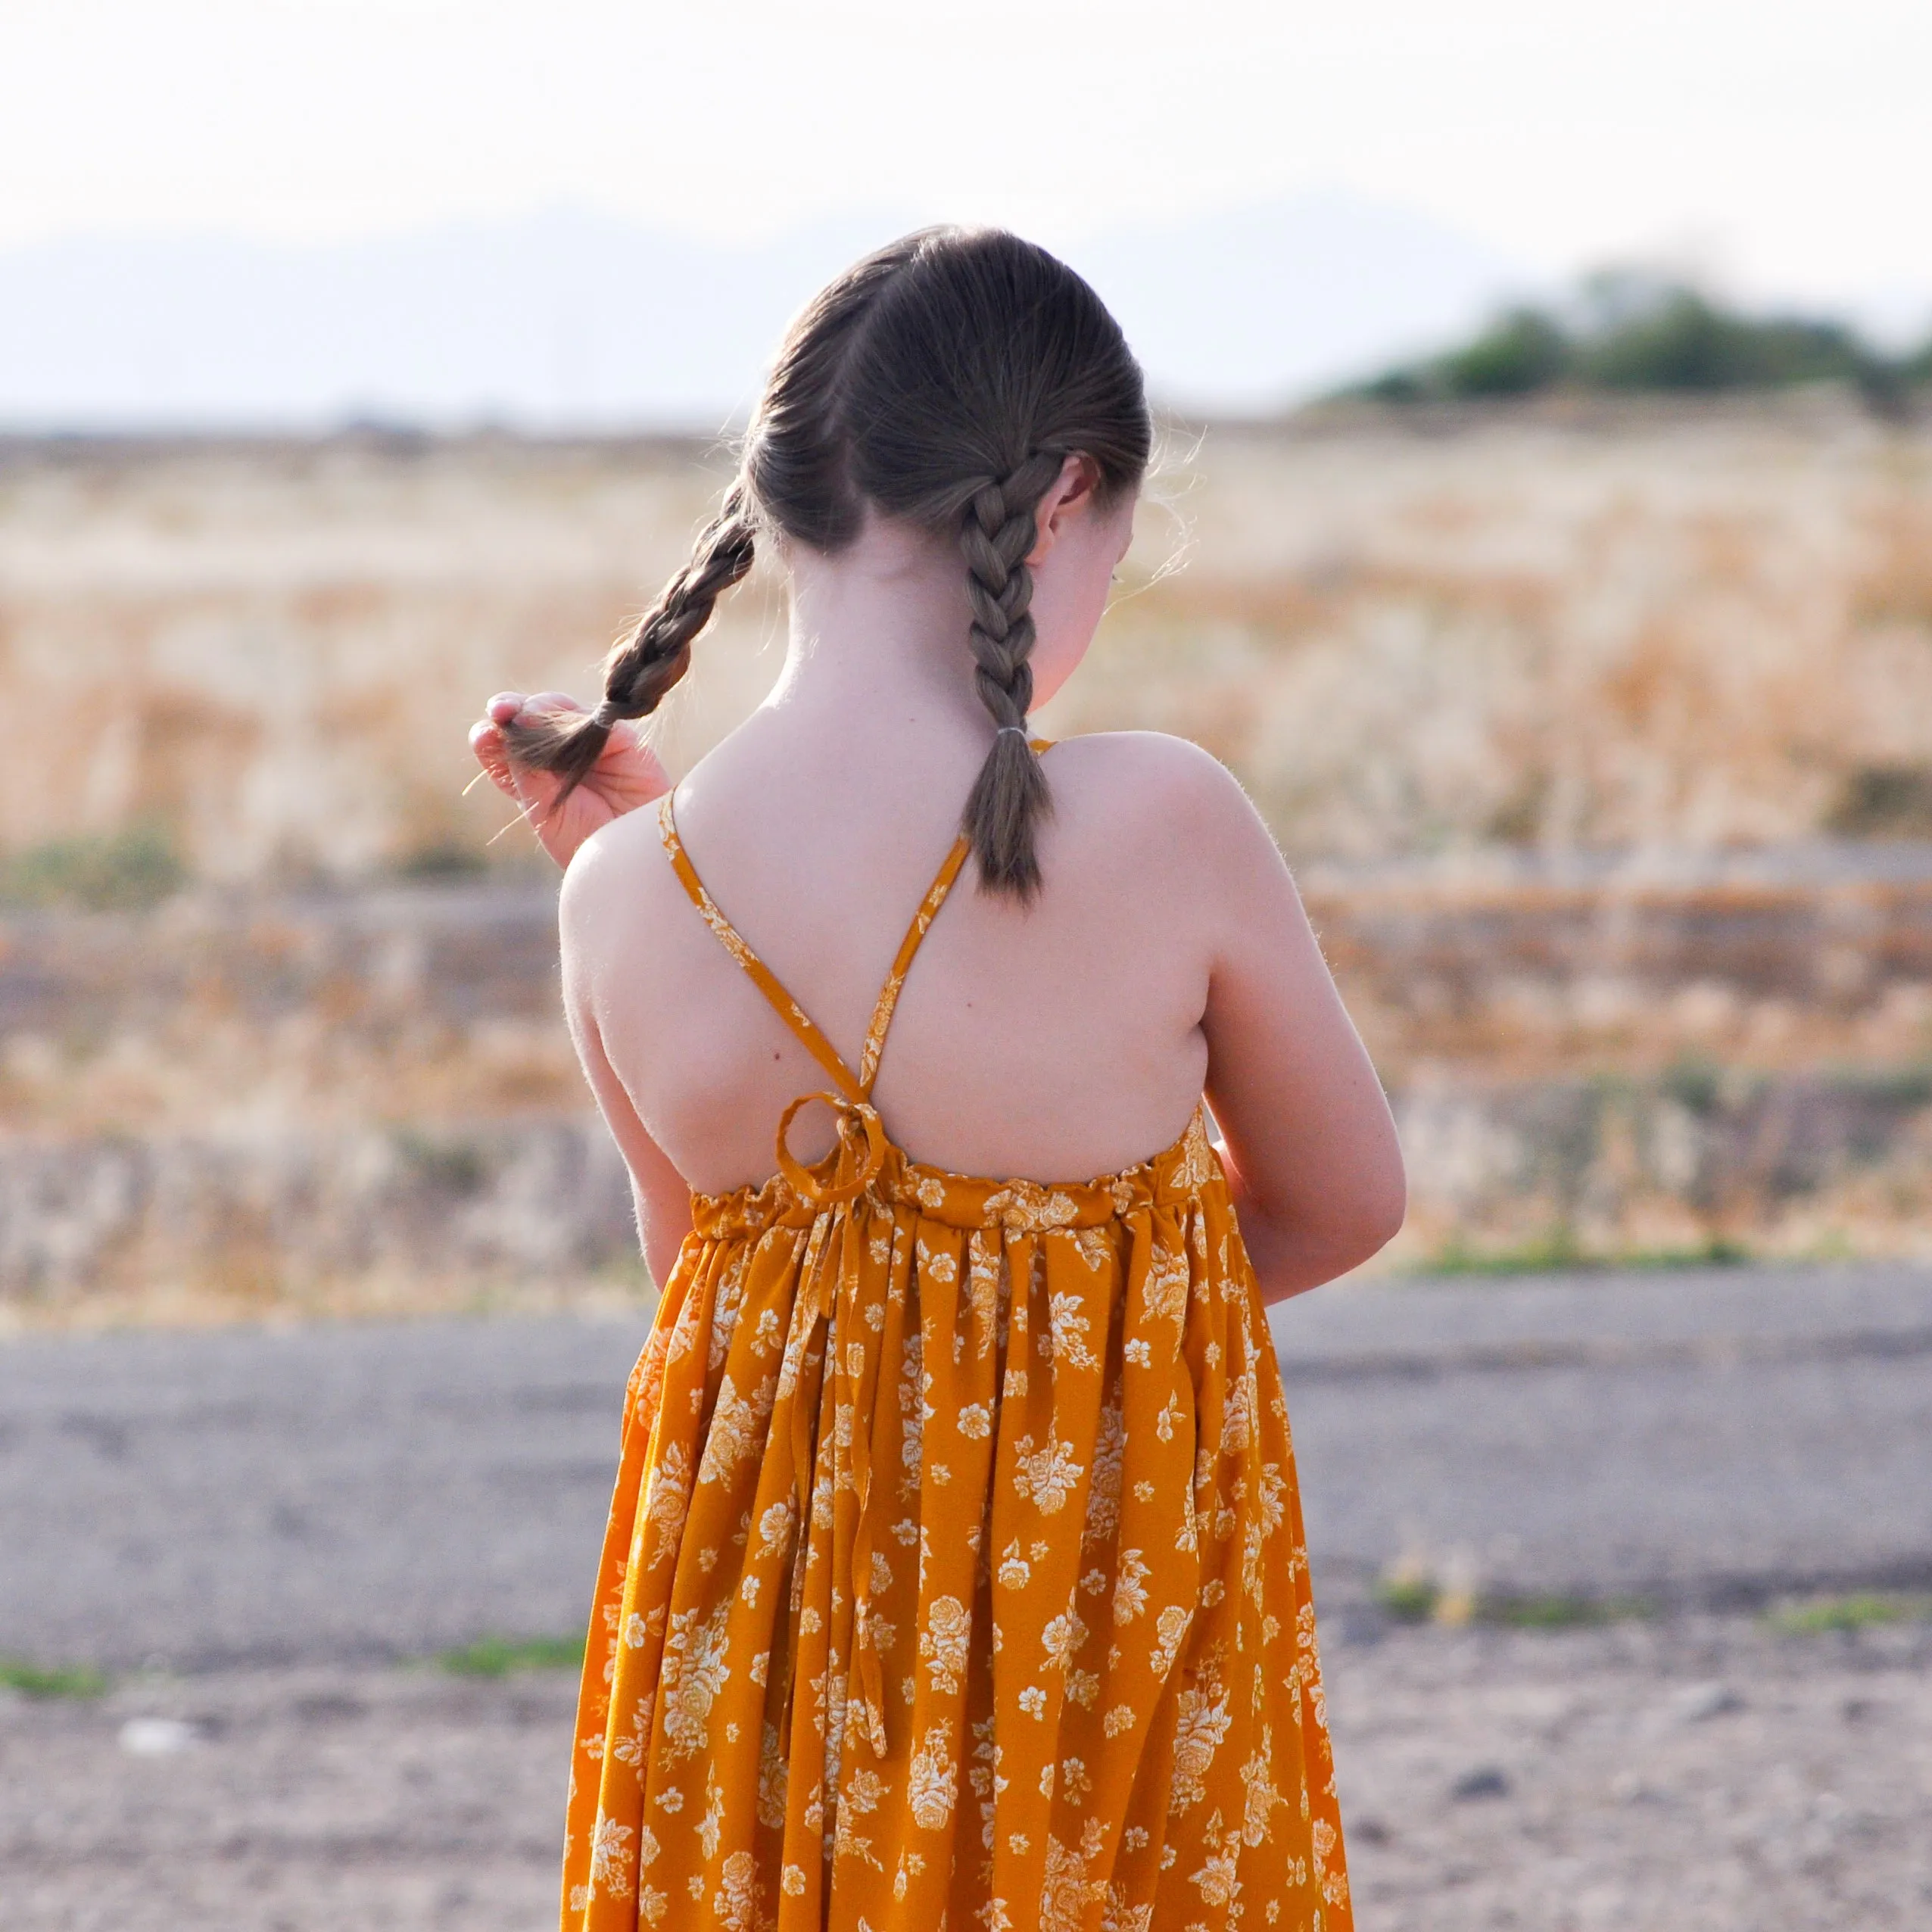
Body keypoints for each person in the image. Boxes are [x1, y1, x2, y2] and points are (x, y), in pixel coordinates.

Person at [469, 226, 1404, 1932]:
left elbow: (712, 1298)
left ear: (773, 513)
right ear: (1061, 504)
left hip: (757, 1679)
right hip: (1089, 1641)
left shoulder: (623, 890)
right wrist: (1064, 1340)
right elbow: (1344, 1200)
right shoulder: (1163, 820)